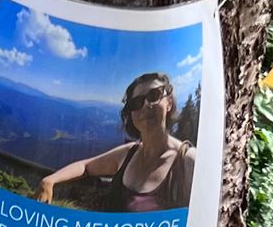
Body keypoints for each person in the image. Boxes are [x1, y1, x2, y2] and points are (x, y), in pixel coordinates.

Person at [38, 71, 195, 211]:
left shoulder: (187, 161)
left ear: (169, 104)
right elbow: (85, 166)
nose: (147, 105)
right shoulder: (128, 154)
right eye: (137, 102)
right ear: (131, 113)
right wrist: (50, 180)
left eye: (154, 95)